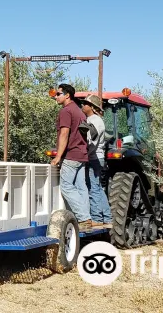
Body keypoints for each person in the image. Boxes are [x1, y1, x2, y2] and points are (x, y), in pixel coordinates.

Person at [51, 84, 92, 231]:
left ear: (67, 95)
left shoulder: (66, 111)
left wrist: (58, 156)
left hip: (72, 155)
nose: (55, 96)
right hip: (82, 154)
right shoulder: (79, 112)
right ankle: (86, 218)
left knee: (67, 187)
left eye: (58, 94)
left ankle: (83, 218)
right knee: (81, 188)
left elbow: (64, 134)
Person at [80, 94, 112, 229]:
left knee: (93, 188)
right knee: (97, 187)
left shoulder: (95, 121)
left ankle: (97, 218)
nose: (83, 106)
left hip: (94, 158)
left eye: (85, 104)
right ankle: (107, 218)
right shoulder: (92, 120)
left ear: (92, 107)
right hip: (95, 157)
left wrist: (85, 155)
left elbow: (92, 142)